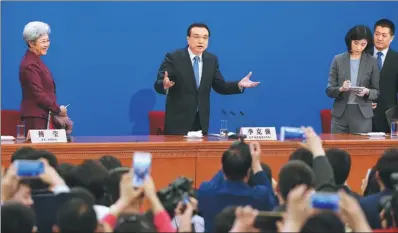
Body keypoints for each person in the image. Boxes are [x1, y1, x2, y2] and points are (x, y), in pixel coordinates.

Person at [154, 23, 260, 135]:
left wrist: (239, 85)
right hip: (178, 121)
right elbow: (159, 83)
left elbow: (220, 86)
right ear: (188, 39)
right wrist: (164, 85)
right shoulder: (174, 57)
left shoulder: (211, 60)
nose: (201, 41)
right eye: (196, 37)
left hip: (201, 121)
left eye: (205, 37)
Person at [326, 25, 380, 134]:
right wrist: (341, 88)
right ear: (349, 41)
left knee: (360, 149)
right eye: (355, 43)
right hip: (340, 114)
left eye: (363, 44)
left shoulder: (372, 61)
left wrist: (367, 91)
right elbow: (329, 90)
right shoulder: (338, 60)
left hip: (362, 114)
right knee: (337, 149)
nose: (358, 48)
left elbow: (376, 91)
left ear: (367, 44)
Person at [19, 21, 70, 134]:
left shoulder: (36, 61)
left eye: (48, 40)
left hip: (43, 115)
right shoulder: (29, 64)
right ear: (31, 43)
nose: (47, 44)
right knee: (37, 151)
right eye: (43, 41)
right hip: (35, 118)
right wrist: (58, 110)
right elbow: (38, 94)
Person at [371, 19, 398, 133]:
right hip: (362, 118)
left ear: (391, 38)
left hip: (388, 119)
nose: (379, 38)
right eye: (377, 34)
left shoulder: (396, 59)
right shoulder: (362, 56)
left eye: (384, 35)